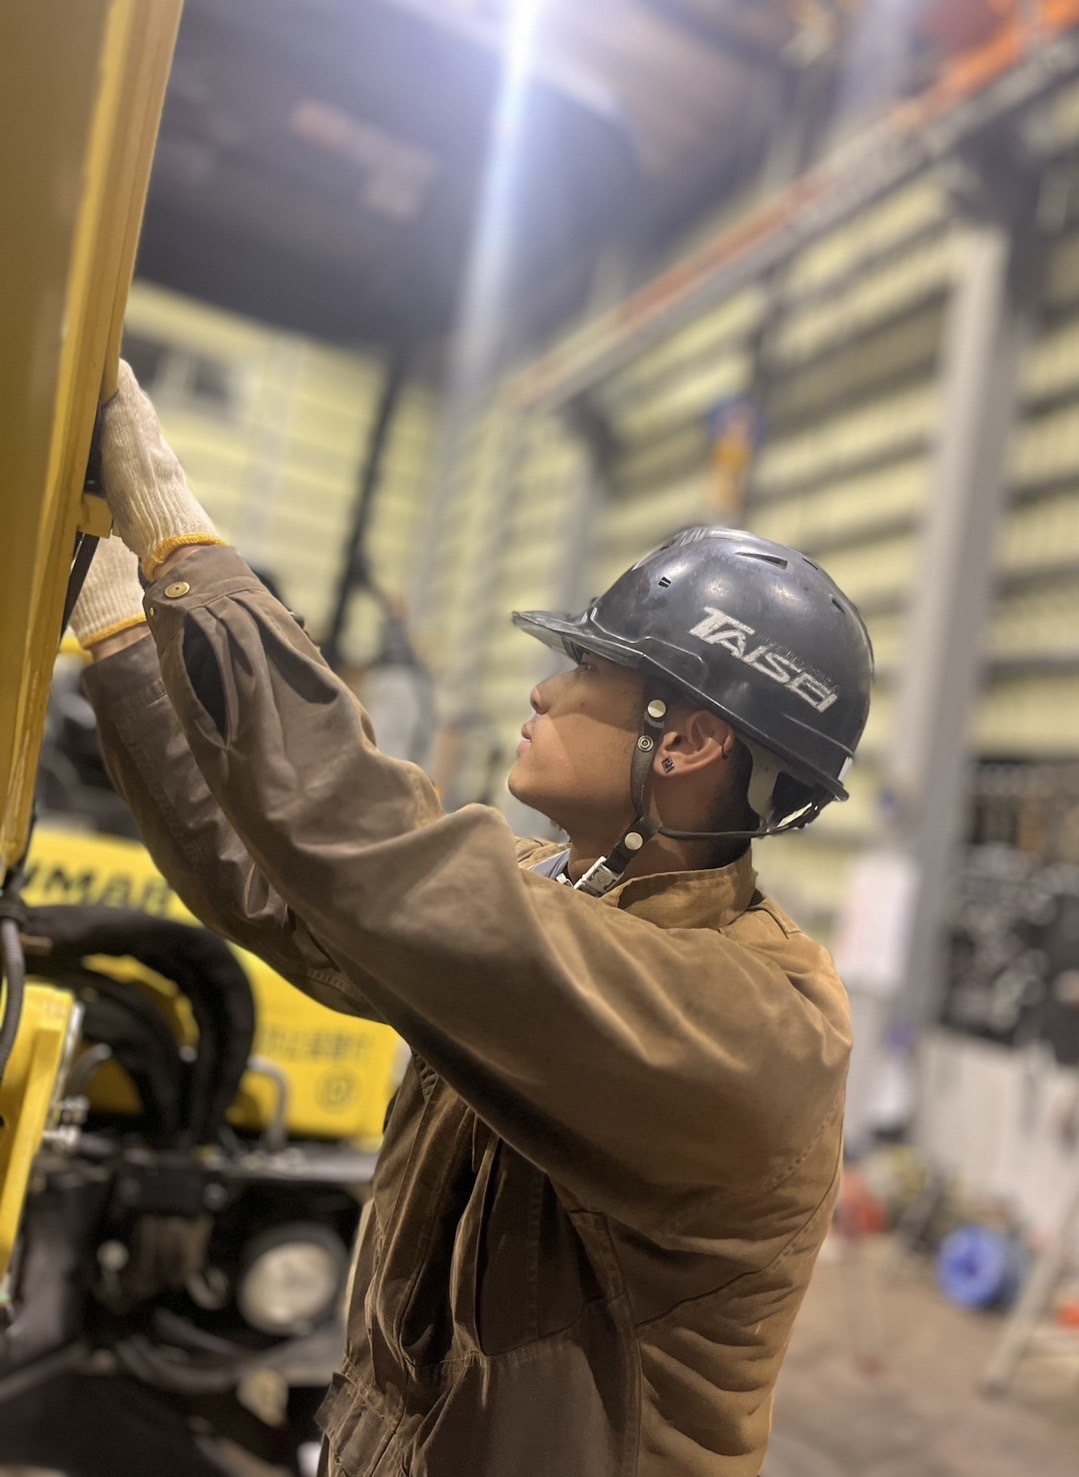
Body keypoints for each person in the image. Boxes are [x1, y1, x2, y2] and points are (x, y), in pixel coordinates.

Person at [69, 363, 874, 1477]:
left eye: (589, 665)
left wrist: (182, 547)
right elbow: (286, 890)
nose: (543, 690)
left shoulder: (761, 1026)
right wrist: (119, 628)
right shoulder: (568, 899)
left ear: (689, 742)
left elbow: (374, 855)